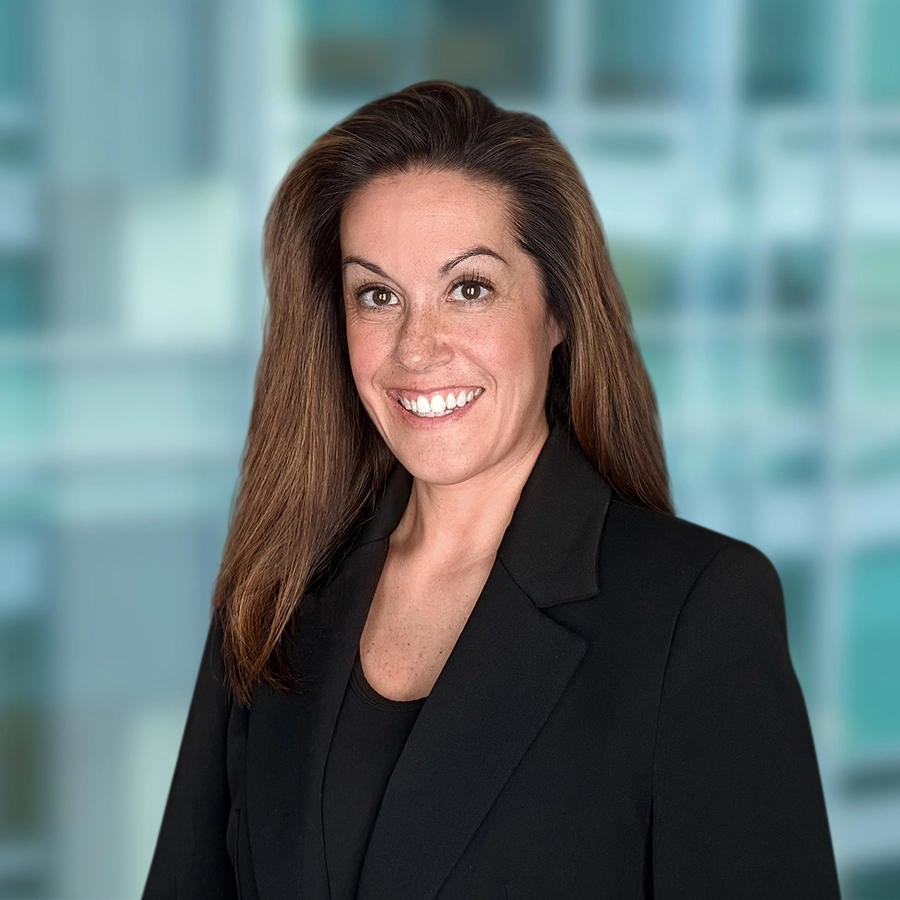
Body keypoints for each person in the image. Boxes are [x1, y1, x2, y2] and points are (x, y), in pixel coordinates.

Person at [142, 81, 841, 900]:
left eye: (468, 288)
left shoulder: (695, 610)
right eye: (378, 296)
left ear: (558, 312)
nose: (417, 347)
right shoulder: (279, 588)